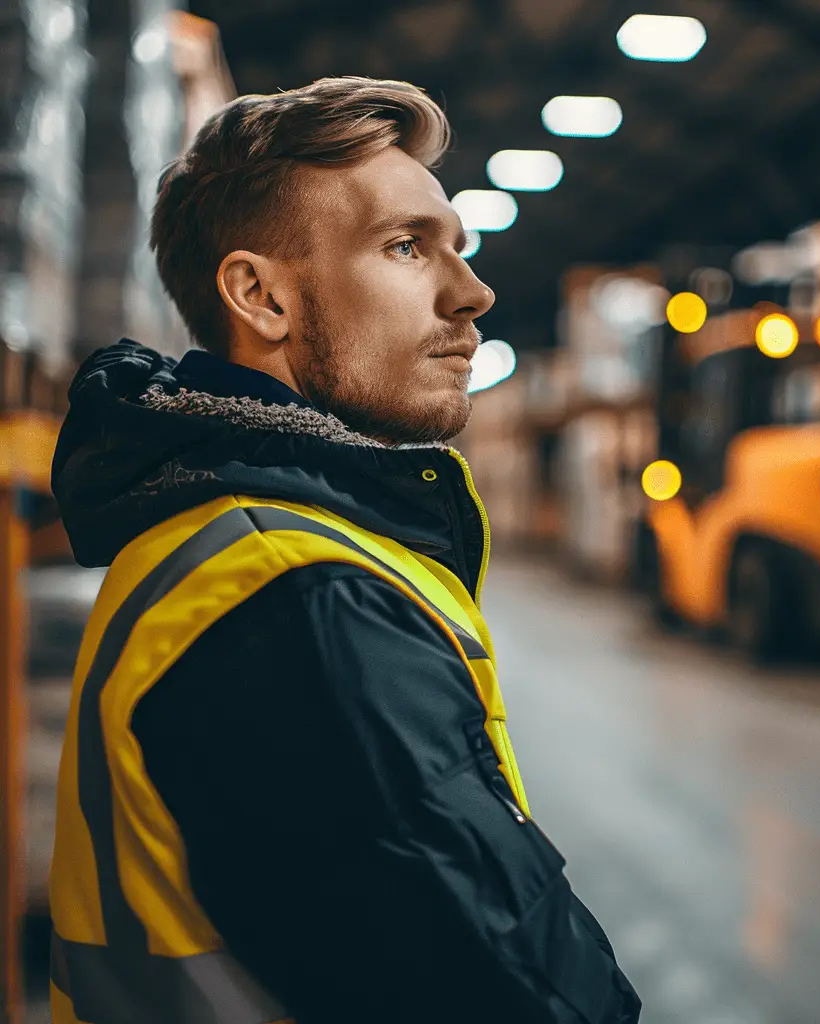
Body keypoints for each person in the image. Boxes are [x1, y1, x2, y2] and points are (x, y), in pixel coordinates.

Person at [48, 76, 642, 1024]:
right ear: (260, 294)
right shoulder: (296, 599)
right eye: (405, 247)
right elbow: (508, 990)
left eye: (460, 249)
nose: (474, 294)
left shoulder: (229, 532)